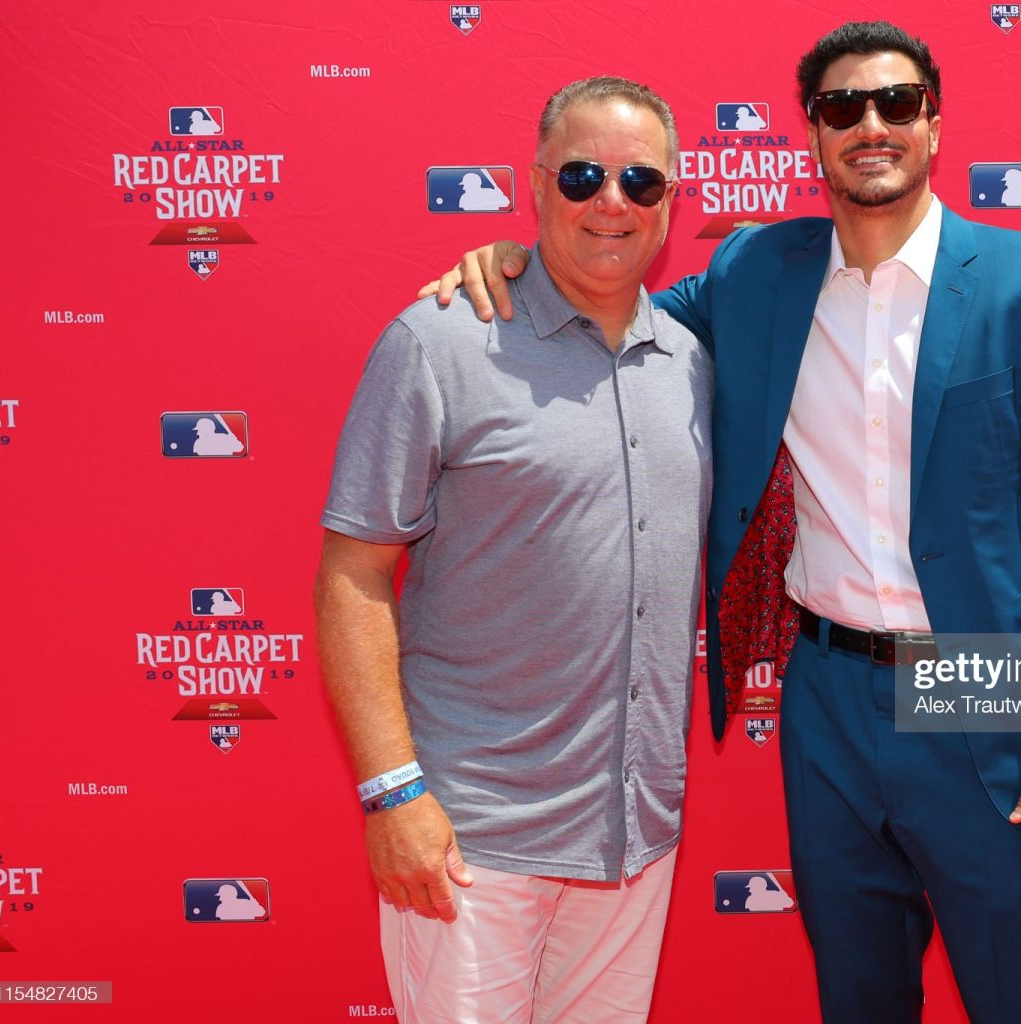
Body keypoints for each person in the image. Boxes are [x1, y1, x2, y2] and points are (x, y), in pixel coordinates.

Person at [422, 22, 1021, 1023]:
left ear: (935, 123)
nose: (871, 124)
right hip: (828, 692)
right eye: (843, 107)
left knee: (1016, 997)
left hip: (987, 683)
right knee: (856, 995)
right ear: (814, 133)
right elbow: (615, 313)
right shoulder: (759, 270)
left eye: (897, 102)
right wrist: (521, 256)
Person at [317, 76, 710, 1024]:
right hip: (468, 841)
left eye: (640, 182)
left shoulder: (694, 361)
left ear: (672, 197)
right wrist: (391, 794)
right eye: (581, 176)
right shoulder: (439, 342)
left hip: (632, 842)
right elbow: (352, 576)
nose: (610, 202)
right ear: (532, 186)